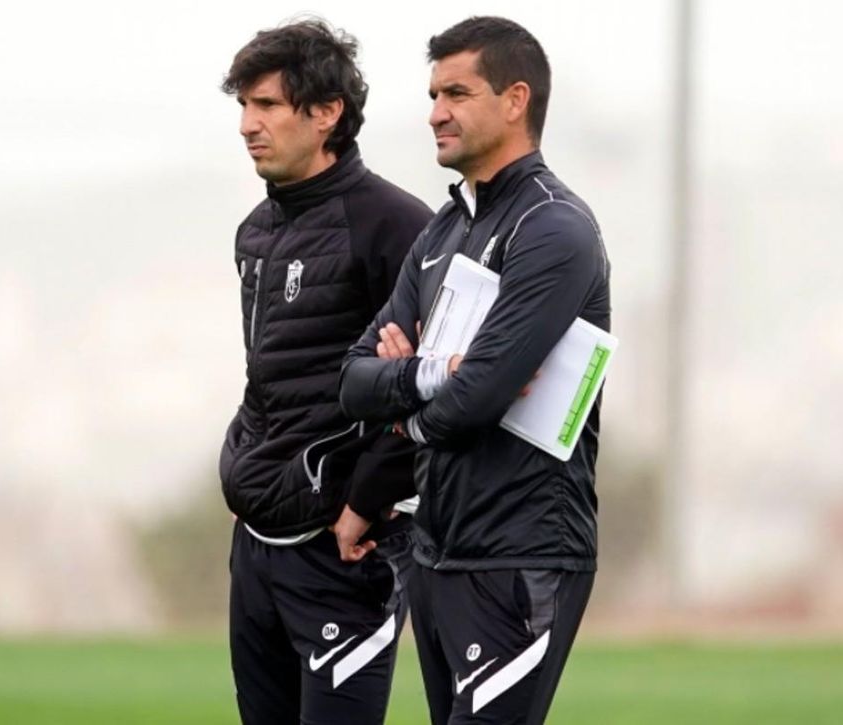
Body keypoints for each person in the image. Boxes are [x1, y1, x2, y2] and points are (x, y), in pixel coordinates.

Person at [339, 16, 611, 724]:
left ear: (516, 100)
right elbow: (354, 378)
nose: (436, 113)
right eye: (434, 95)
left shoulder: (554, 228)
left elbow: (477, 399)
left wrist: (407, 406)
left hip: (520, 557)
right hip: (438, 553)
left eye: (456, 93)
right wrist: (432, 378)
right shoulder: (443, 228)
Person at [216, 19, 432, 725]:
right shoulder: (256, 230)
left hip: (345, 548)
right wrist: (244, 467)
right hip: (257, 545)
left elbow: (430, 388)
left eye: (267, 105)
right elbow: (270, 378)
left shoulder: (396, 226)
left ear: (327, 112)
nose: (248, 124)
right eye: (243, 105)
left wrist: (365, 500)